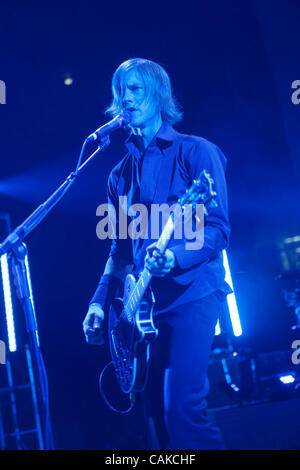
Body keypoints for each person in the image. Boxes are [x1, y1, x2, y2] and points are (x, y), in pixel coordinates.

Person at [82, 58, 231, 450]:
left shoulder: (197, 152)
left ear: (159, 95)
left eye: (135, 89)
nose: (125, 99)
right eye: (120, 91)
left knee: (182, 412)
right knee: (158, 430)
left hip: (193, 295)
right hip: (143, 311)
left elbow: (217, 229)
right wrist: (99, 302)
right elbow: (119, 248)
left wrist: (175, 257)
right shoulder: (118, 175)